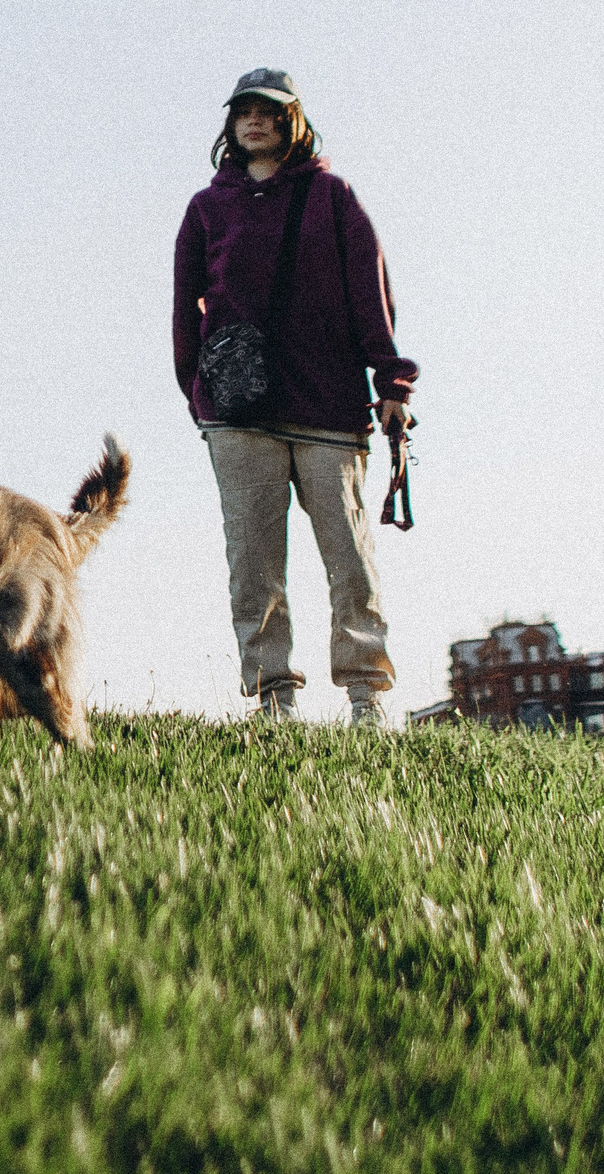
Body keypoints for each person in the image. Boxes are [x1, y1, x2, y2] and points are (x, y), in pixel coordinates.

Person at [172, 69, 417, 724]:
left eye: (269, 112)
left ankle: (366, 698)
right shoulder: (206, 209)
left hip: (329, 406)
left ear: (291, 122)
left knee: (350, 559)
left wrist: (391, 382)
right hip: (238, 414)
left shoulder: (332, 197)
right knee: (253, 565)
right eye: (244, 112)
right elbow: (183, 311)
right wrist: (200, 396)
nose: (255, 121)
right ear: (231, 125)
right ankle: (274, 698)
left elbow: (373, 294)